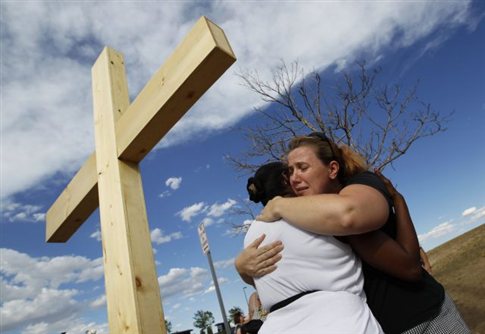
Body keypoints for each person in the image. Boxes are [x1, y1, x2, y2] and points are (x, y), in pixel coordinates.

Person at [236, 133, 470, 334]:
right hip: (385, 323)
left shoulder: (354, 191)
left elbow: (409, 268)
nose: (294, 178)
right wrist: (242, 267)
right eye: (290, 171)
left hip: (422, 318)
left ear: (333, 169)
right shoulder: (311, 212)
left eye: (303, 168)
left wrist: (278, 205)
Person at [243, 161, 384, 333]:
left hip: (275, 326)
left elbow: (254, 276)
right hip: (341, 321)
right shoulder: (314, 210)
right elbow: (352, 215)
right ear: (285, 179)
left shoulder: (251, 234)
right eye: (292, 172)